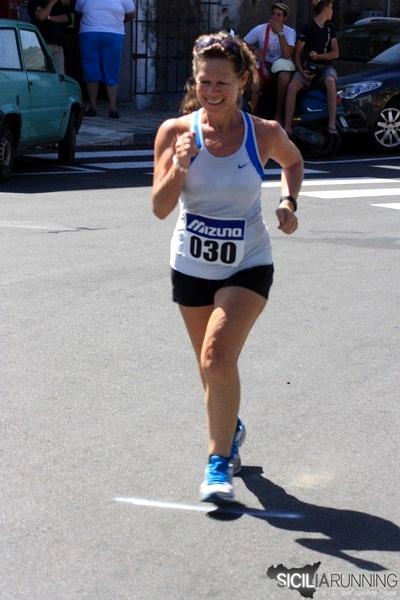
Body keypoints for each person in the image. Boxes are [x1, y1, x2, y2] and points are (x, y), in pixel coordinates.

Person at [152, 32, 303, 504]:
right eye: (204, 82)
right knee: (209, 368)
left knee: (217, 357)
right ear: (194, 81)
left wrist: (288, 201)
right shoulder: (175, 132)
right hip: (190, 265)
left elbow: (293, 162)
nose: (212, 92)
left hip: (248, 264)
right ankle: (230, 427)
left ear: (242, 82)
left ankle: (218, 464)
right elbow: (159, 208)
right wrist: (179, 167)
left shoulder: (264, 133)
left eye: (222, 83)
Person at [284, 0, 339, 135]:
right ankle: (287, 127)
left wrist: (319, 57)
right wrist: (302, 72)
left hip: (324, 67)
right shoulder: (308, 27)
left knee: (331, 81)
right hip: (307, 67)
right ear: (325, 9)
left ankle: (332, 125)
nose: (332, 11)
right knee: (292, 87)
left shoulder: (330, 28)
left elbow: (335, 53)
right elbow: (297, 54)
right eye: (331, 8)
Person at [75, 0, 136, 119]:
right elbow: (131, 14)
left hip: (96, 34)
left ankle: (106, 107)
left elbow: (131, 14)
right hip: (102, 34)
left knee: (107, 70)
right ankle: (106, 108)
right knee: (93, 71)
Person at [244, 2, 296, 122]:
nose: (275, 17)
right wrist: (254, 50)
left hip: (281, 66)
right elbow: (244, 42)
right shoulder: (261, 29)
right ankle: (254, 115)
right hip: (264, 64)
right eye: (273, 14)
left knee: (284, 78)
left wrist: (280, 33)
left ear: (284, 18)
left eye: (278, 15)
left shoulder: (290, 32)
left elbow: (287, 54)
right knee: (254, 80)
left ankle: (278, 115)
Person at [28, 0, 70, 73]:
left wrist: (49, 17)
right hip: (40, 46)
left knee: (60, 75)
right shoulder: (35, 2)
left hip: (57, 46)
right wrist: (51, 3)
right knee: (42, 75)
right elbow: (41, 16)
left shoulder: (58, 3)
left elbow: (66, 18)